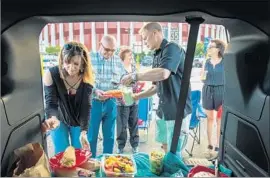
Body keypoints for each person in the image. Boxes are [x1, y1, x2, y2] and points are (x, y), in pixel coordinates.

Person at [121, 22, 192, 158]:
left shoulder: (172, 48)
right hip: (163, 111)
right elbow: (156, 87)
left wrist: (135, 76)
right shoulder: (156, 55)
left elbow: (164, 73)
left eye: (145, 38)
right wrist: (136, 96)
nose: (144, 42)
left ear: (155, 33)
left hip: (177, 111)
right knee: (165, 147)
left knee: (174, 153)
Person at [42, 41, 94, 154]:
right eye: (67, 62)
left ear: (82, 64)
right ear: (62, 60)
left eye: (76, 64)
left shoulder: (86, 78)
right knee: (61, 152)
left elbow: (86, 107)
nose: (71, 68)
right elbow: (51, 102)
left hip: (78, 119)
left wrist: (84, 132)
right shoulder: (51, 74)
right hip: (59, 117)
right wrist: (53, 118)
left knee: (78, 151)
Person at [88, 35, 125, 158]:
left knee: (109, 137)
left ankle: (107, 163)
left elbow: (121, 82)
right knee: (91, 136)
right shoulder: (89, 58)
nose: (109, 53)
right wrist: (95, 91)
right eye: (107, 49)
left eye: (113, 50)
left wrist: (121, 93)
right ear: (100, 44)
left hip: (111, 103)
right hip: (93, 103)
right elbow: (84, 81)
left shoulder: (118, 62)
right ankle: (91, 163)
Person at [201, 39, 226, 159]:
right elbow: (202, 78)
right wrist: (203, 75)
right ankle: (210, 145)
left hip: (221, 91)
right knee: (210, 119)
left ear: (218, 49)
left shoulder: (225, 61)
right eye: (209, 47)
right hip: (207, 90)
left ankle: (218, 145)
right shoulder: (206, 62)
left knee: (219, 120)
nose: (209, 48)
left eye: (212, 46)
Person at [116, 46, 139, 154]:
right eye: (129, 55)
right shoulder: (118, 69)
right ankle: (121, 146)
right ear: (123, 58)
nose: (131, 57)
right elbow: (117, 84)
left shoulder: (134, 68)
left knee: (134, 123)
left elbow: (137, 82)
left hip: (134, 100)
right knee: (122, 126)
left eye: (131, 55)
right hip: (122, 102)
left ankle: (135, 145)